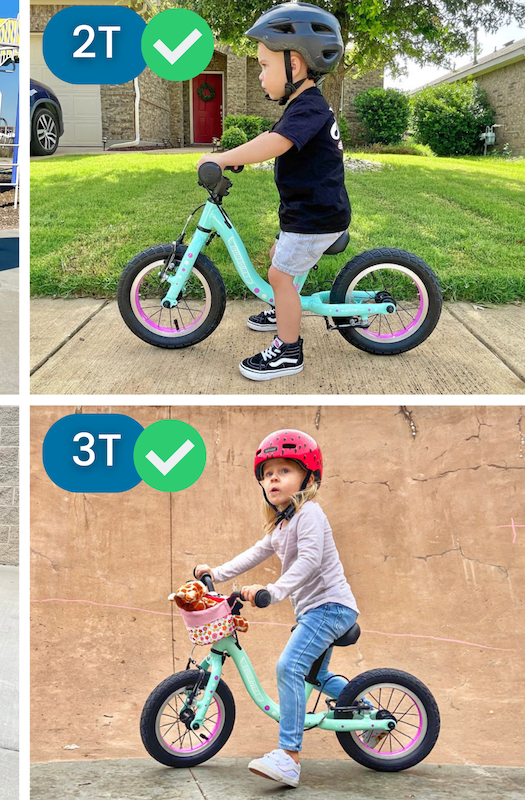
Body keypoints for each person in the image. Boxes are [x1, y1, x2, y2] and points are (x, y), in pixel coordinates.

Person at [193, 429, 362, 788]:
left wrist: (274, 590)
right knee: (315, 676)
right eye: (268, 472)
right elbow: (254, 553)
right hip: (314, 612)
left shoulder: (310, 514)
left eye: (285, 470)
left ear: (308, 478)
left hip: (330, 608)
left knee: (289, 666)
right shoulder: (281, 524)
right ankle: (361, 709)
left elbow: (311, 561)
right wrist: (215, 573)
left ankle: (289, 757)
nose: (274, 477)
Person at [198, 3, 350, 381]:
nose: (261, 76)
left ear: (294, 65)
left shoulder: (309, 107)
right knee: (276, 255)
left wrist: (225, 156)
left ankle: (288, 352)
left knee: (279, 275)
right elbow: (272, 140)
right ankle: (284, 309)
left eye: (265, 66)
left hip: (315, 216)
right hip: (309, 211)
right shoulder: (304, 105)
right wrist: (240, 158)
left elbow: (277, 142)